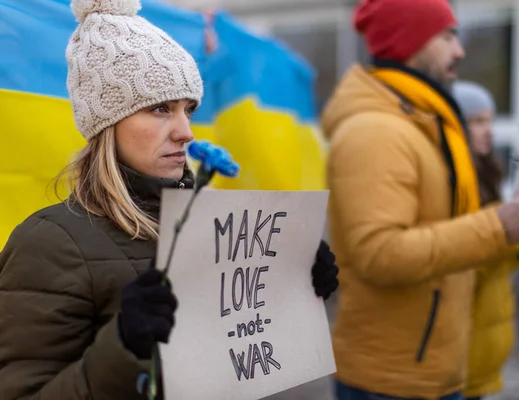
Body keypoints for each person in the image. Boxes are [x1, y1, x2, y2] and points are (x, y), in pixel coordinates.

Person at [0, 1, 339, 399]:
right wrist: (124, 346)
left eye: (188, 110)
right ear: (108, 122)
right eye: (161, 108)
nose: (185, 132)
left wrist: (290, 288)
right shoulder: (48, 243)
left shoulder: (209, 226)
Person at [321, 0, 519, 399]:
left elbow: (452, 243)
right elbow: (380, 254)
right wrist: (497, 225)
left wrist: (516, 231)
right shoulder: (376, 131)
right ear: (412, 41)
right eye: (447, 36)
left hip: (434, 374)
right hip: (390, 384)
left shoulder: (424, 122)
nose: (459, 51)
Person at [453, 81, 519, 400]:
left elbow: (501, 262)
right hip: (459, 354)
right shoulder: (454, 181)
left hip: (483, 351)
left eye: (490, 120)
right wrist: (505, 230)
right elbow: (464, 258)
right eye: (477, 121)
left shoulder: (488, 173)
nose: (488, 130)